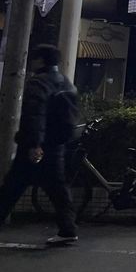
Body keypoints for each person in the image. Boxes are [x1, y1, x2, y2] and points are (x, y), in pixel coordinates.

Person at [0, 44, 78, 245]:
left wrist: (34, 143)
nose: (32, 62)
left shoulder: (39, 82)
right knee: (58, 190)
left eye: (34, 58)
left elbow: (35, 115)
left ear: (41, 60)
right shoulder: (65, 82)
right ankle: (68, 229)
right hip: (57, 146)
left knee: (11, 187)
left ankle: (68, 230)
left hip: (35, 147)